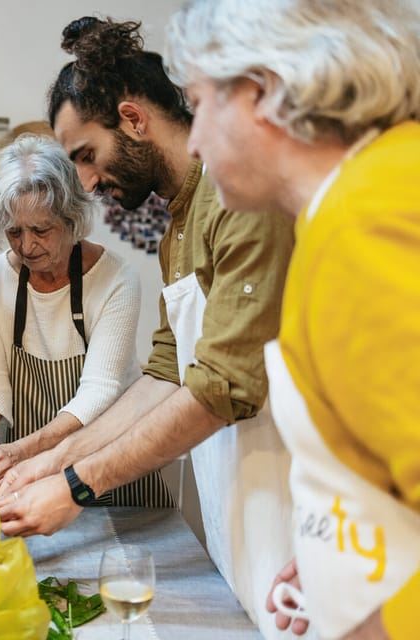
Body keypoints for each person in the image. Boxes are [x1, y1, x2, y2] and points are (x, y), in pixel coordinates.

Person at [0, 17, 296, 636]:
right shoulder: (177, 225)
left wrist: (76, 485)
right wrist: (47, 462)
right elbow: (164, 374)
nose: (83, 183)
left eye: (86, 156)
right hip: (235, 504)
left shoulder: (242, 200)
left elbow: (219, 388)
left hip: (290, 501)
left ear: (133, 120)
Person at [166, 1, 420, 638]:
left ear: (263, 91)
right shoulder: (342, 209)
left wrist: (378, 623)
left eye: (197, 105)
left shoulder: (367, 221)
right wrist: (333, 558)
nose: (193, 141)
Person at [0, 134, 172, 507]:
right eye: (14, 232)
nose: (27, 246)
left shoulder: (114, 278)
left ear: (71, 218)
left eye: (41, 230)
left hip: (113, 470)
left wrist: (20, 450)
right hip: (38, 478)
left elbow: (100, 390)